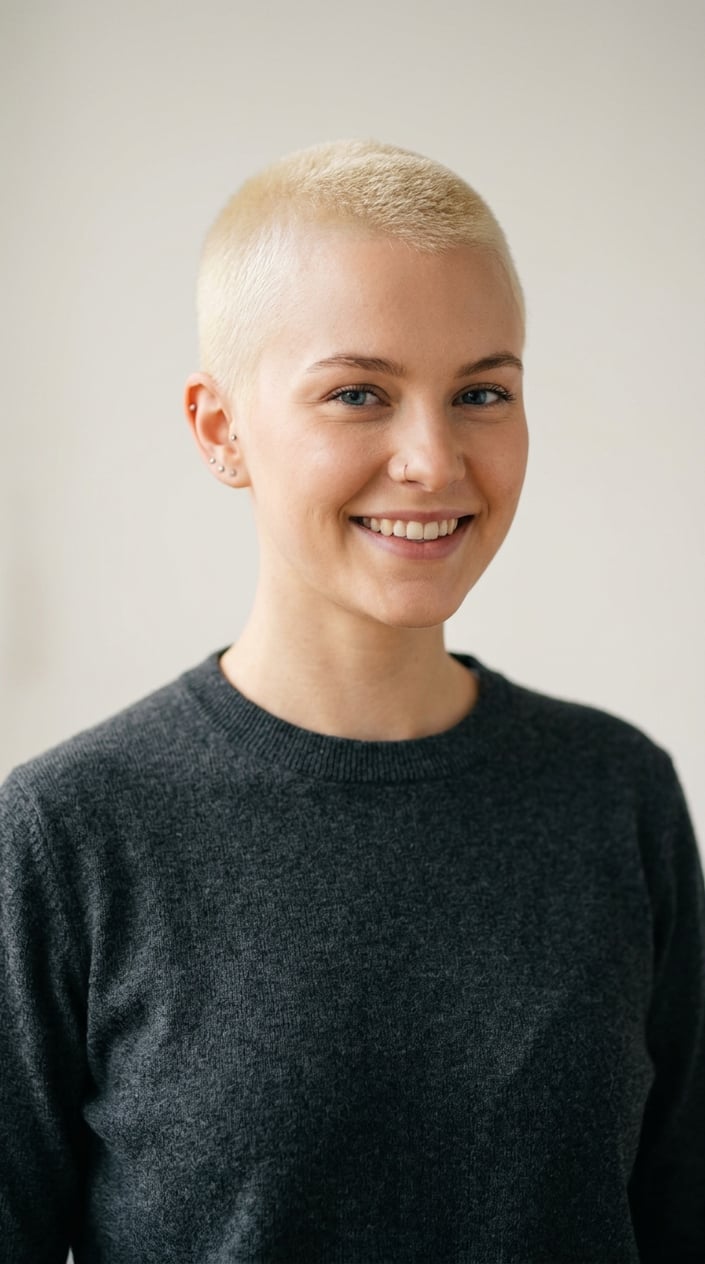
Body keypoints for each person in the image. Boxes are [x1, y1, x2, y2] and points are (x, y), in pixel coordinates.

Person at [1, 139, 703, 1263]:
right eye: (359, 393)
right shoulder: (66, 834)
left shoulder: (618, 794)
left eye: (482, 391)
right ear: (220, 429)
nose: (432, 458)